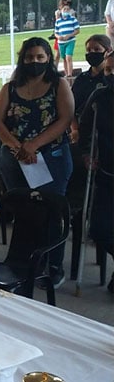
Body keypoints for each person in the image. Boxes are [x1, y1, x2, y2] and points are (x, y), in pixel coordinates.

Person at [0, 37, 74, 286]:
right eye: (30, 57)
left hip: (51, 158)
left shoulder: (58, 84)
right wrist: (18, 147)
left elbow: (65, 119)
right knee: (24, 209)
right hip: (15, 159)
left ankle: (52, 266)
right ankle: (23, 264)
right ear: (23, 59)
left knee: (50, 211)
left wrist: (34, 145)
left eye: (40, 57)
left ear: (48, 59)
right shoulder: (9, 88)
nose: (35, 62)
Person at [79, 82, 114, 292]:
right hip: (107, 173)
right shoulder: (100, 96)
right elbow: (85, 126)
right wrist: (86, 152)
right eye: (109, 70)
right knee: (99, 229)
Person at [55, 3, 80, 78]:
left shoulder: (73, 19)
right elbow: (56, 32)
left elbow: (77, 30)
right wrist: (58, 37)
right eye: (64, 9)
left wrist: (69, 35)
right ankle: (66, 73)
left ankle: (70, 73)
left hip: (70, 41)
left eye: (67, 9)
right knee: (64, 58)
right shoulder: (58, 21)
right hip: (61, 42)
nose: (66, 11)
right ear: (61, 11)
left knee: (68, 56)